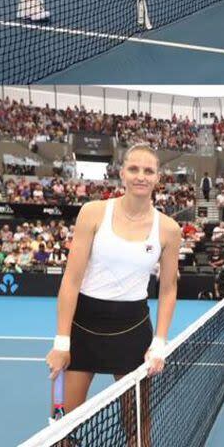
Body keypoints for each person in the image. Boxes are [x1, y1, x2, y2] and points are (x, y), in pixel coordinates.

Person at [45, 144, 181, 418]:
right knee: (63, 427)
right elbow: (71, 280)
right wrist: (61, 342)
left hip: (133, 330)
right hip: (83, 326)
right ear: (122, 173)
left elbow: (168, 289)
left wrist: (159, 342)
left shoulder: (169, 229)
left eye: (148, 171)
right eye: (133, 169)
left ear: (157, 178)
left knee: (137, 425)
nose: (140, 176)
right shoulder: (93, 212)